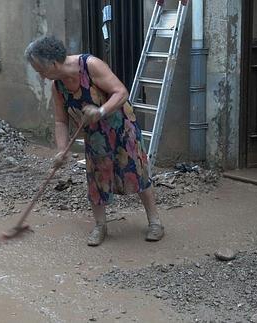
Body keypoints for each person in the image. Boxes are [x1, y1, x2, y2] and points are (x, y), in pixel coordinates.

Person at [24, 36, 164, 246]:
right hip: (95, 136)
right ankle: (100, 226)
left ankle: (155, 222)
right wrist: (62, 150)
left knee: (138, 171)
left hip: (122, 128)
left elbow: (121, 92)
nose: (42, 76)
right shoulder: (58, 86)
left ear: (53, 64)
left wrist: (100, 111)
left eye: (41, 71)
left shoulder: (90, 66)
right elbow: (61, 121)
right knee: (96, 179)